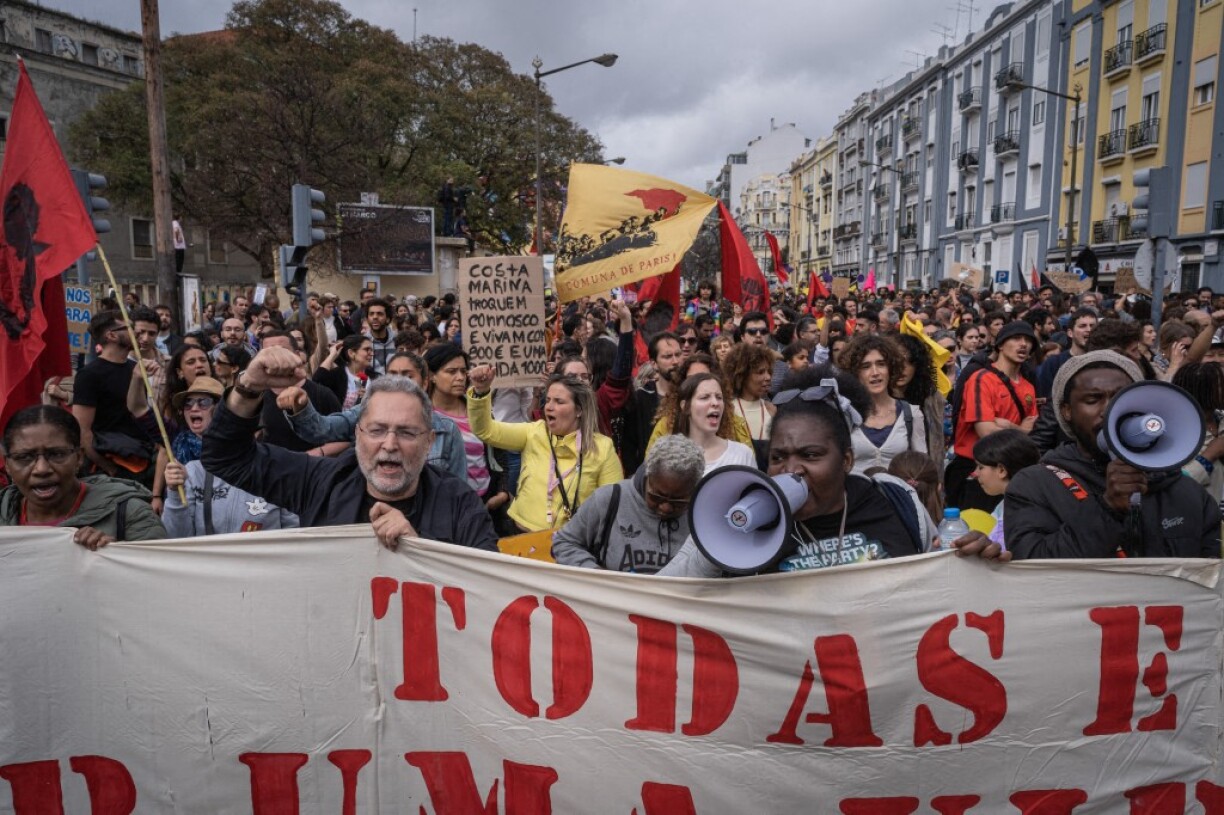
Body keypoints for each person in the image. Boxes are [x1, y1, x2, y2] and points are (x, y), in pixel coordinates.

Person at [657, 368, 1004, 577]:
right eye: (778, 457)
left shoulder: (895, 499)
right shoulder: (737, 511)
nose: (791, 470)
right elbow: (662, 593)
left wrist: (973, 563)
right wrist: (720, 539)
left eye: (811, 455)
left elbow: (938, 579)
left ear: (848, 460)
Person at [201, 347, 498, 550]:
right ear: (358, 434)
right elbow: (225, 457)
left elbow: (486, 592)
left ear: (429, 441)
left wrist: (418, 552)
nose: (390, 445)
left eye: (407, 432)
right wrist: (248, 387)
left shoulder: (460, 505)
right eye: (377, 430)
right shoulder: (319, 482)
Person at [1005, 351, 1221, 559]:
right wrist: (1107, 509)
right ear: (1066, 411)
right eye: (1093, 400)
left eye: (1120, 399)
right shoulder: (1035, 486)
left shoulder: (1186, 492)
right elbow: (1034, 564)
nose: (1107, 411)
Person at [467, 366, 623, 531]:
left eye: (559, 401)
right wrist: (481, 391)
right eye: (547, 400)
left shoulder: (602, 447)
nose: (549, 407)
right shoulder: (533, 432)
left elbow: (613, 504)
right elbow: (485, 431)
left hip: (572, 545)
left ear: (578, 410)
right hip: (521, 537)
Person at [142, 377, 299, 536]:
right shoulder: (192, 471)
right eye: (188, 404)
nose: (194, 408)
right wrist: (175, 493)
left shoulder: (275, 467)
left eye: (203, 402)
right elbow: (177, 538)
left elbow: (294, 534)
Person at [279, 351, 467, 481]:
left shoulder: (446, 430)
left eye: (408, 376)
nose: (398, 381)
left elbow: (458, 489)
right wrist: (300, 407)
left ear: (425, 382)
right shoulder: (364, 413)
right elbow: (321, 430)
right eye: (392, 374)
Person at [0, 406, 165, 547]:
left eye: (56, 454)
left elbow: (159, 578)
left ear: (79, 457)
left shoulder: (130, 514)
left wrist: (115, 556)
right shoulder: (4, 514)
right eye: (25, 457)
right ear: (7, 464)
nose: (41, 469)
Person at [551, 434, 705, 573]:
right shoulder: (609, 499)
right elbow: (564, 542)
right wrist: (598, 576)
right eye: (656, 497)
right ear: (647, 476)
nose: (666, 507)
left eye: (678, 502)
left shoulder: (704, 516)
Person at [946, 321, 1038, 513]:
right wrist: (1017, 429)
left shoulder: (1028, 386)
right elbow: (986, 431)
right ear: (1001, 345)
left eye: (1028, 341)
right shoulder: (982, 379)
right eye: (1016, 338)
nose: (1023, 344)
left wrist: (1004, 425)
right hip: (977, 470)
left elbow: (1031, 434)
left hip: (1010, 473)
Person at [71, 311, 154, 484]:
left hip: (141, 458)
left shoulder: (136, 369)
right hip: (110, 466)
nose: (137, 332)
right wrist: (109, 468)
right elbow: (82, 430)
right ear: (112, 335)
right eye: (130, 327)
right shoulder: (90, 374)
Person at [840, 335, 926, 475]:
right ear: (855, 373)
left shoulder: (911, 414)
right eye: (866, 366)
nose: (875, 373)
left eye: (881, 364)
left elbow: (922, 468)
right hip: (856, 496)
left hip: (900, 496)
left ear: (890, 368)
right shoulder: (844, 415)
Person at [663, 373, 756, 474]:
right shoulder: (669, 457)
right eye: (704, 397)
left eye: (719, 397)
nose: (715, 403)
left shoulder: (742, 455)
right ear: (686, 407)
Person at [971, 429, 1040, 551]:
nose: (975, 473)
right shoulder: (1004, 505)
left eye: (981, 467)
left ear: (1001, 470)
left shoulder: (1027, 510)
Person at [724, 342, 776, 466]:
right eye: (760, 372)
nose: (768, 377)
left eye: (769, 371)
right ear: (742, 375)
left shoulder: (772, 410)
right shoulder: (727, 411)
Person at [313, 334, 378, 410]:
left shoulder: (376, 378)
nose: (372, 354)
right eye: (367, 349)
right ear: (351, 353)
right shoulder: (337, 375)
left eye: (372, 350)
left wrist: (369, 399)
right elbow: (316, 382)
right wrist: (332, 356)